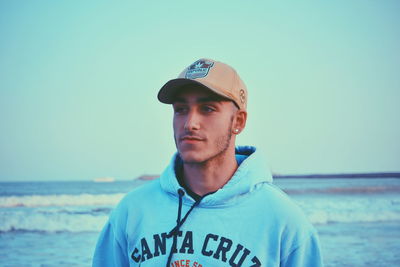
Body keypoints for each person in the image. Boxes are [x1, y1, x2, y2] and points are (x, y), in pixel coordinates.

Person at [93, 58, 323, 267]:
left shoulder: (283, 220)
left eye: (207, 109)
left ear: (239, 121)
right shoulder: (132, 211)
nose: (190, 123)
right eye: (181, 110)